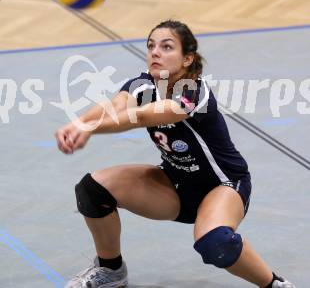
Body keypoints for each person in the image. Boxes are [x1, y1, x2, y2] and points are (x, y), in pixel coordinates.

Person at [55, 20, 295, 288]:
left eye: (166, 47)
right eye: (151, 46)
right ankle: (111, 270)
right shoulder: (142, 85)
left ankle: (274, 284)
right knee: (92, 190)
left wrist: (88, 127)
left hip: (224, 185)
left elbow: (140, 116)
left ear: (187, 58)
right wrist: (79, 123)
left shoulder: (194, 91)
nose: (155, 52)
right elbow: (116, 105)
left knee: (215, 243)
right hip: (174, 183)